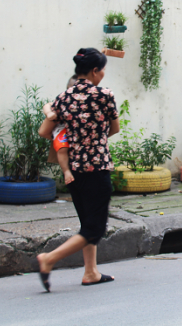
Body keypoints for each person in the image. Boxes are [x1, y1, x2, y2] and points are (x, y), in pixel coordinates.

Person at [36, 48, 120, 292]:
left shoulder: (63, 98)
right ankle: (48, 259)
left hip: (73, 170)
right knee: (95, 228)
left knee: (87, 223)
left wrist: (52, 113)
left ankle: (91, 272)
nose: (103, 74)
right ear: (95, 71)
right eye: (102, 69)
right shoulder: (105, 95)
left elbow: (44, 132)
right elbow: (114, 129)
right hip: (97, 166)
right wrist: (95, 135)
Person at [39, 75, 78, 186]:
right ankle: (66, 171)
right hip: (62, 130)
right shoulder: (62, 101)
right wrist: (49, 113)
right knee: (62, 148)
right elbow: (48, 105)